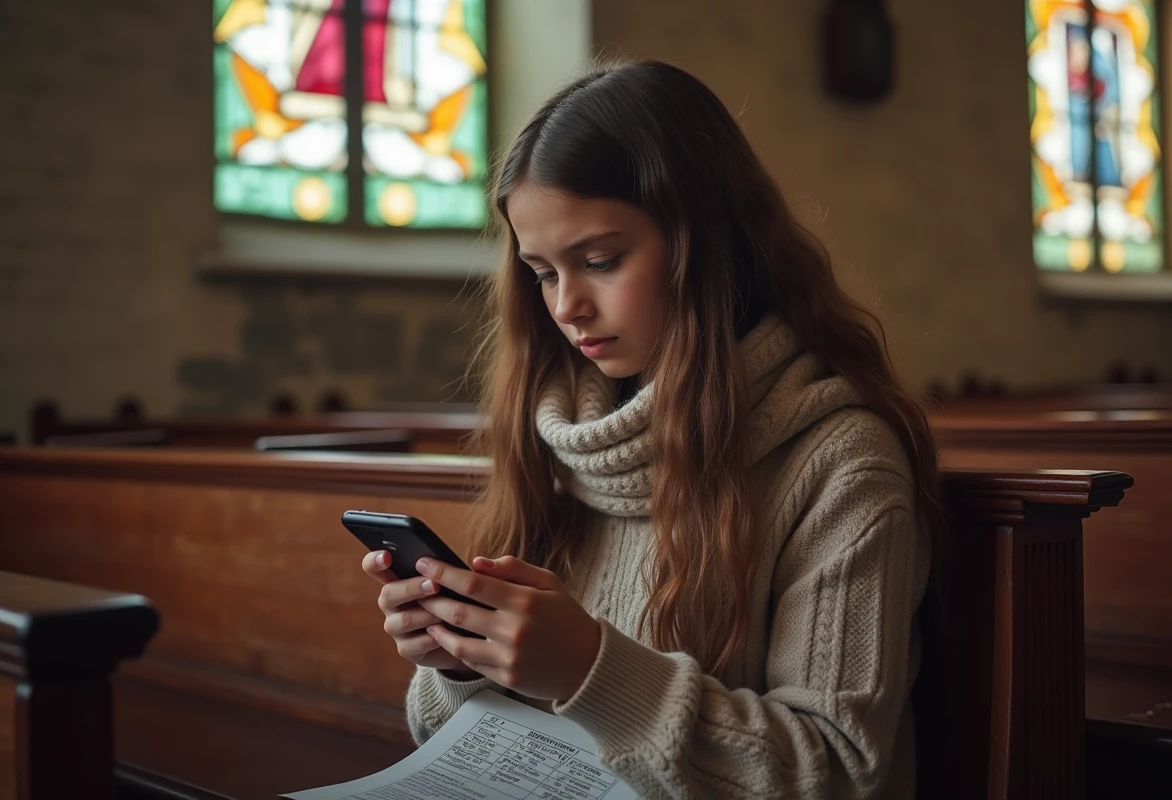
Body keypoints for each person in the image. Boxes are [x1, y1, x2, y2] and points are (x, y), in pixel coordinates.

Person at [363, 58, 940, 799]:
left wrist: (588, 670)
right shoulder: (563, 440)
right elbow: (470, 748)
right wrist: (461, 662)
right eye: (542, 272)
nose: (567, 305)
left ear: (710, 243)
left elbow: (834, 771)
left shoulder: (843, 464)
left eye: (600, 260)